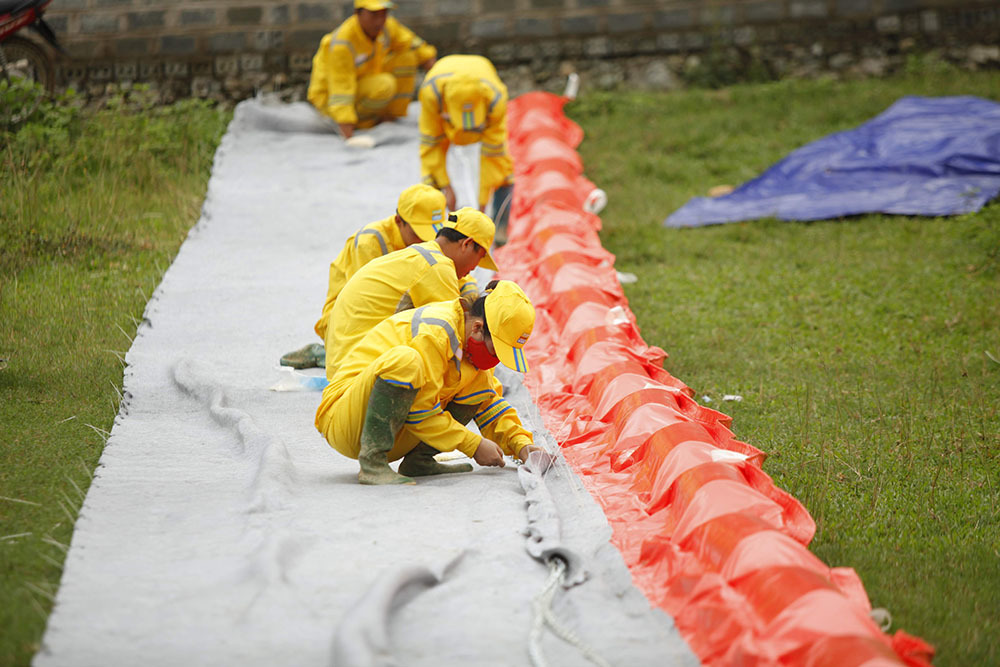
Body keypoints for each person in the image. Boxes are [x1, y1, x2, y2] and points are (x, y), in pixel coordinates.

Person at [315, 280, 544, 485]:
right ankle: (372, 464)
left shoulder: (471, 349)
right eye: (496, 350)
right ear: (477, 328)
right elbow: (421, 410)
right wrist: (473, 444)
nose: (495, 359)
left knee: (479, 385)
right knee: (406, 361)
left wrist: (521, 445)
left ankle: (419, 462)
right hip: (347, 419)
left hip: (393, 431)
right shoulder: (435, 332)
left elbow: (489, 402)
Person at [279, 184, 455, 370]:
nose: (424, 240)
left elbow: (454, 278)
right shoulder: (370, 242)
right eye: (418, 233)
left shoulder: (433, 243)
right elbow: (364, 307)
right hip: (348, 321)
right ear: (398, 221)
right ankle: (325, 353)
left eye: (430, 233)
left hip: (393, 312)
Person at [324, 207, 497, 379]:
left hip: (342, 365)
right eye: (480, 257)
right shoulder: (436, 267)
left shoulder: (422, 256)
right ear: (467, 243)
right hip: (357, 373)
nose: (475, 267)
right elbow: (457, 336)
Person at [418, 54, 514, 243]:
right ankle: (431, 234)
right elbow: (431, 147)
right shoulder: (432, 94)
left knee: (503, 173)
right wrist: (447, 188)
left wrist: (482, 206)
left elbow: (492, 156)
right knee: (430, 178)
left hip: (483, 123)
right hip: (443, 127)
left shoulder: (496, 98)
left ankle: (499, 229)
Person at [307, 0, 437, 140]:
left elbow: (414, 45)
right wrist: (348, 133)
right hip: (330, 97)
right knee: (384, 85)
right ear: (358, 13)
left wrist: (440, 78)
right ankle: (363, 123)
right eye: (374, 14)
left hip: (364, 82)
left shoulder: (387, 26)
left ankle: (390, 117)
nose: (379, 20)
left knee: (407, 57)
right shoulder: (343, 43)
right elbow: (341, 89)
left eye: (384, 14)